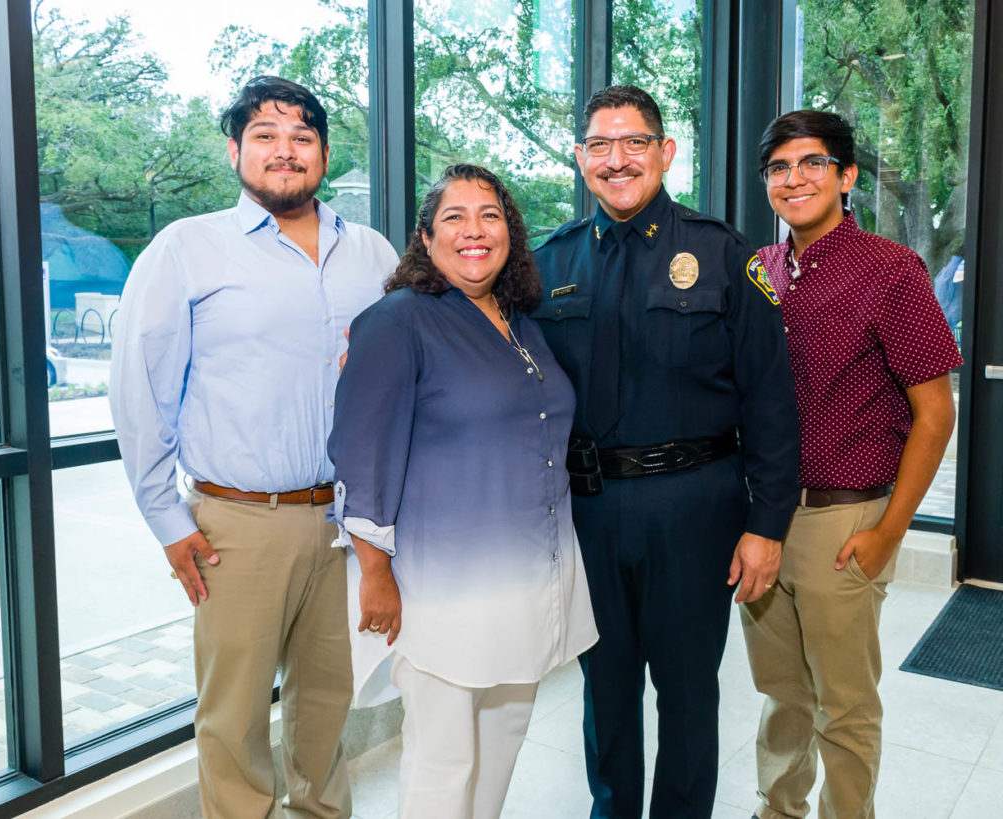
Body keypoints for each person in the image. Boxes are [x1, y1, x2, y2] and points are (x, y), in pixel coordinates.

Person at [109, 76, 398, 819]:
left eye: (302, 137)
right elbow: (142, 392)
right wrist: (167, 519)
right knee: (234, 719)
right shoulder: (187, 249)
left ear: (325, 155)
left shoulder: (370, 252)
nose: (285, 151)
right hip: (237, 525)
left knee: (329, 707)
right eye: (266, 136)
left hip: (347, 520)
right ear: (236, 150)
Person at [532, 85, 800, 818]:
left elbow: (772, 400)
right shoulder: (547, 263)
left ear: (665, 152)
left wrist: (767, 524)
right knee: (606, 689)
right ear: (581, 158)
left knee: (687, 693)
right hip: (589, 511)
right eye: (600, 146)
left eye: (634, 143)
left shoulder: (720, 253)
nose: (617, 160)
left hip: (697, 507)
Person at [327, 164, 598, 819]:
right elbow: (360, 455)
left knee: (502, 741)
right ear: (426, 235)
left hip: (532, 577)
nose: (473, 231)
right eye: (455, 216)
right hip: (440, 587)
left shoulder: (522, 324)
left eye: (489, 215)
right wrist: (374, 571)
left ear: (510, 233)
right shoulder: (396, 322)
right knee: (444, 764)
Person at [741, 110, 962, 819]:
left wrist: (891, 530)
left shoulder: (891, 271)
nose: (793, 179)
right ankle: (778, 809)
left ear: (846, 176)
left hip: (844, 517)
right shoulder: (759, 270)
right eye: (779, 167)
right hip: (765, 516)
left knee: (844, 705)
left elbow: (936, 412)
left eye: (810, 163)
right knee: (781, 693)